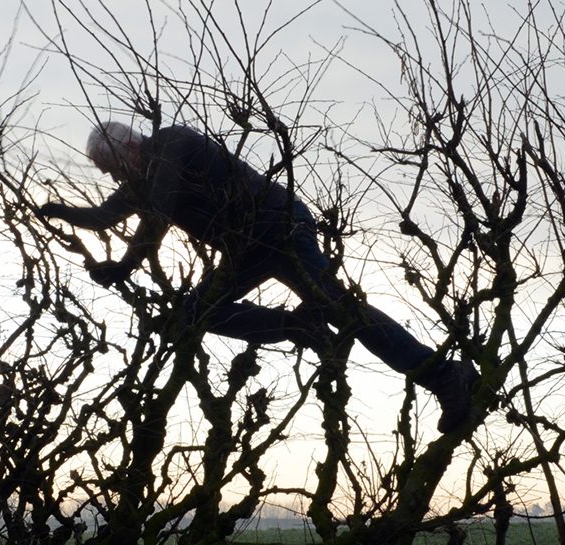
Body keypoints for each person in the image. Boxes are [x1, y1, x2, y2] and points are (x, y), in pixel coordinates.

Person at [36, 121, 477, 433]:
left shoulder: (173, 145)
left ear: (130, 149)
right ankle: (296, 326)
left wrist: (126, 265)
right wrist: (56, 211)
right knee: (197, 312)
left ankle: (444, 376)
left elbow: (160, 212)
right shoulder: (141, 181)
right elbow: (103, 215)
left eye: (113, 167)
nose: (114, 177)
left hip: (280, 229)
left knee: (342, 309)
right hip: (245, 249)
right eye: (107, 173)